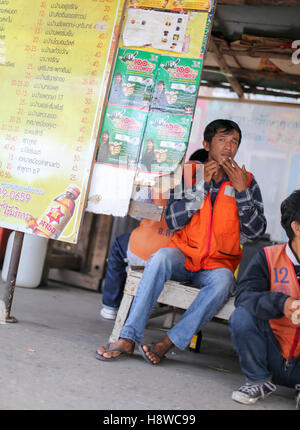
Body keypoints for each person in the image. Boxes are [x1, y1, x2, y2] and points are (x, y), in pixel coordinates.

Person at [96, 119, 266, 364]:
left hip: (218, 264)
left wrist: (242, 194)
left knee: (225, 282)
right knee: (160, 259)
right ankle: (128, 338)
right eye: (222, 140)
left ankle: (168, 343)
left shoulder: (247, 181)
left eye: (234, 142)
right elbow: (174, 221)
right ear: (207, 144)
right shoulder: (188, 174)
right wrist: (200, 186)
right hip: (182, 255)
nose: (229, 147)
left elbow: (256, 232)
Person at [100, 149, 203, 320]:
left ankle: (110, 305)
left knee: (119, 244)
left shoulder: (164, 177)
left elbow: (136, 213)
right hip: (178, 259)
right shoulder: (207, 190)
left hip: (141, 250)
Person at [229, 190, 300, 408]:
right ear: (297, 227)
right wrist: (282, 303)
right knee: (241, 316)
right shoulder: (268, 257)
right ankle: (258, 379)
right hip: (271, 353)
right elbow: (244, 296)